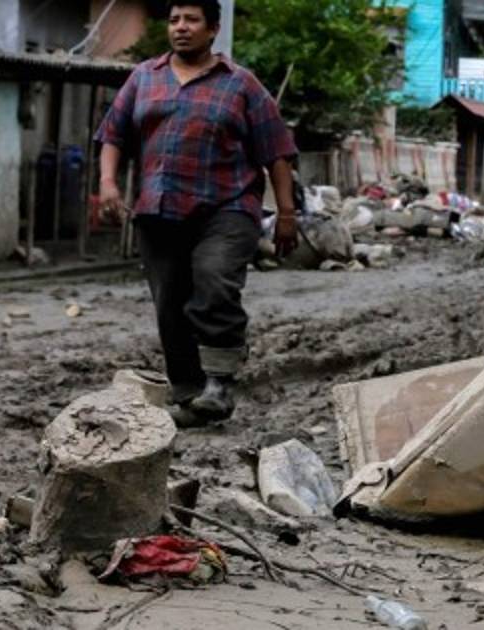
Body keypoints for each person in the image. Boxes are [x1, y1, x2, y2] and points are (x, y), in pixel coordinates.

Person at [95, 0, 297, 425]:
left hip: (227, 206)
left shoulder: (241, 84)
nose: (181, 28)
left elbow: (277, 152)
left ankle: (220, 382)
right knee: (170, 302)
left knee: (214, 278)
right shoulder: (143, 77)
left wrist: (286, 213)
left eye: (191, 20)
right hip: (160, 207)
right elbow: (113, 134)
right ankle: (189, 395)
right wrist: (108, 183)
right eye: (174, 20)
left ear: (212, 29)